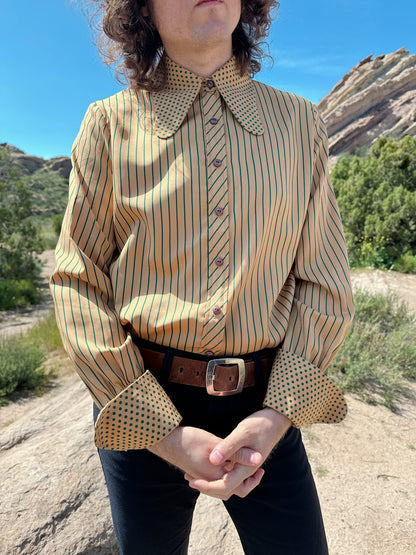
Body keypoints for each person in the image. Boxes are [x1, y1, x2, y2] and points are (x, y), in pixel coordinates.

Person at [50, 1, 354, 553]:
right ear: (141, 12)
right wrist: (162, 432)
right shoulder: (107, 124)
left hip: (268, 409)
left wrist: (275, 416)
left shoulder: (300, 122)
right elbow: (78, 278)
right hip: (143, 406)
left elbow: (325, 282)